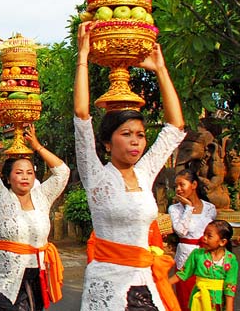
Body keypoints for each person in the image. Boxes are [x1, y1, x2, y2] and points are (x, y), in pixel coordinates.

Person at [74, 21, 186, 310]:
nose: (135, 142)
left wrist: (161, 69)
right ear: (108, 143)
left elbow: (175, 126)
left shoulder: (145, 171)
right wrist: (83, 58)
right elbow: (81, 114)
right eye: (126, 134)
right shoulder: (95, 175)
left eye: (140, 135)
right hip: (107, 285)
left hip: (146, 281)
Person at [0, 105, 70, 311]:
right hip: (6, 276)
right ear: (7, 176)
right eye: (19, 172)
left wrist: (37, 146)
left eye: (29, 173)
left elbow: (62, 172)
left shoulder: (42, 196)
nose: (24, 177)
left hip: (38, 273)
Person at [169, 168, 217, 310]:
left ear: (194, 185)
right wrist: (188, 208)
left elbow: (216, 231)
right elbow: (181, 231)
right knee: (187, 299)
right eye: (176, 186)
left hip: (207, 257)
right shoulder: (175, 209)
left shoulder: (209, 208)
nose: (178, 189)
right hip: (185, 257)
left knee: (208, 299)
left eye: (181, 185)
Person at [169, 220, 238, 311]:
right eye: (204, 234)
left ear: (222, 242)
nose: (204, 238)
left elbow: (230, 285)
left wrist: (229, 308)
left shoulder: (231, 259)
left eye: (209, 236)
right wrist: (163, 283)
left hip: (219, 303)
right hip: (199, 300)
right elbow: (183, 273)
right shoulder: (197, 254)